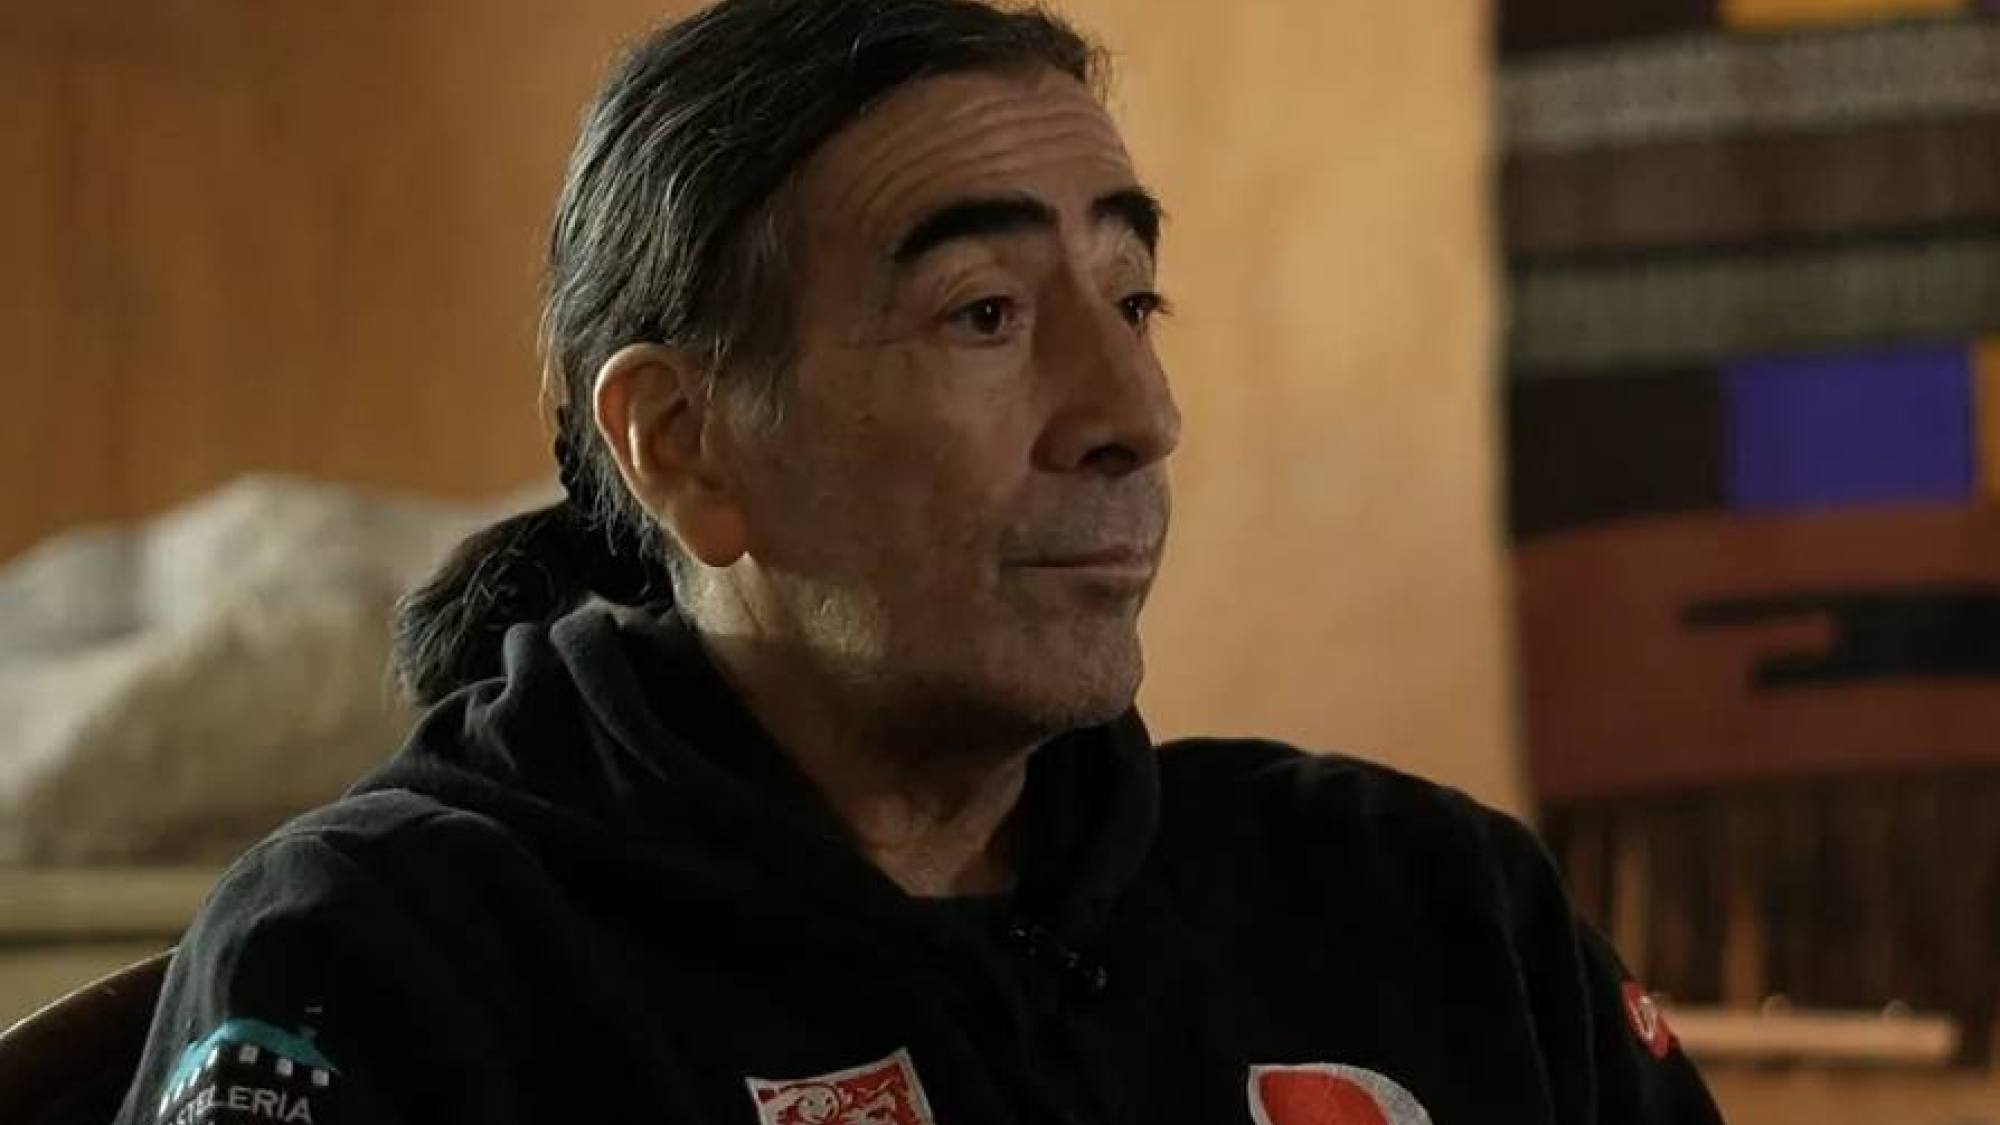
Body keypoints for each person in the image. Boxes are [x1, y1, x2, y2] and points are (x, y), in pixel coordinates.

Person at [115, 1, 1723, 1122]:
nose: (1137, 415)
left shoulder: (1432, 913)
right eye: (986, 313)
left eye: (1135, 300)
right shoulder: (390, 962)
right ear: (682, 443)